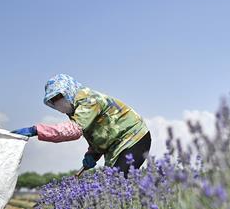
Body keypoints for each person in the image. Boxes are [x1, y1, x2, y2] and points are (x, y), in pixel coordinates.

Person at [11, 74, 151, 176]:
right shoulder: (75, 109)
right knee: (112, 184)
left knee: (117, 182)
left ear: (68, 91)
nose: (57, 102)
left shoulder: (88, 100)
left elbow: (74, 130)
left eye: (59, 97)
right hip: (116, 146)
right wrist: (93, 154)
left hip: (134, 139)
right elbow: (99, 134)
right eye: (53, 100)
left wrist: (36, 130)